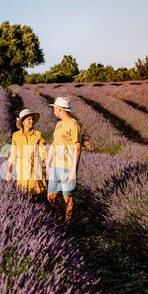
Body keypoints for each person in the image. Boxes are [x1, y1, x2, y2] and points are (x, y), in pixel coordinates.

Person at [46, 97, 81, 227]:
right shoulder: (59, 124)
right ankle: (59, 218)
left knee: (67, 198)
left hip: (67, 167)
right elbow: (54, 144)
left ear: (60, 109)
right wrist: (48, 162)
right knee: (51, 196)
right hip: (56, 166)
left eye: (54, 108)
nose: (53, 110)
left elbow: (77, 147)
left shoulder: (73, 124)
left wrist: (73, 171)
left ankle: (67, 225)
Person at [6, 108, 47, 195]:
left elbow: (42, 151)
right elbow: (13, 153)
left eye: (32, 119)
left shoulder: (38, 134)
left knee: (37, 194)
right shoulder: (16, 136)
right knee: (23, 193)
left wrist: (46, 162)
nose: (31, 121)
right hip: (22, 170)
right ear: (23, 122)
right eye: (29, 119)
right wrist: (8, 171)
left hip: (35, 169)